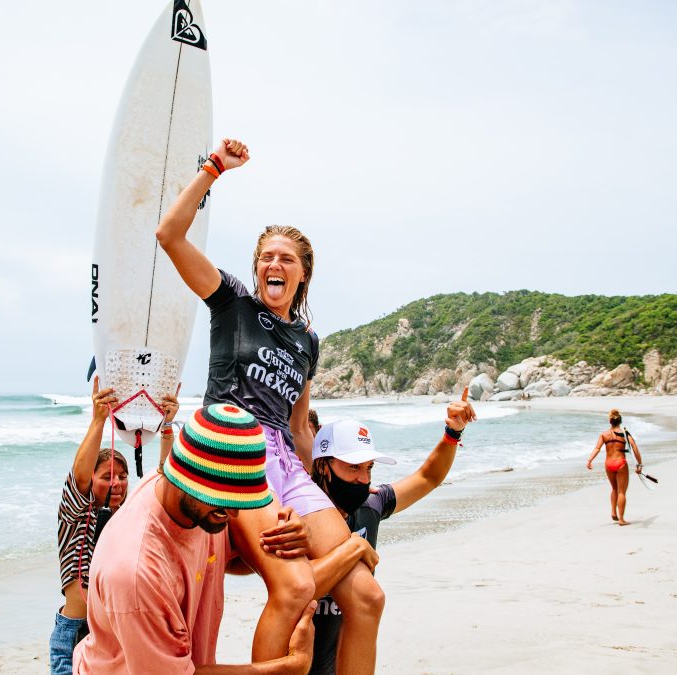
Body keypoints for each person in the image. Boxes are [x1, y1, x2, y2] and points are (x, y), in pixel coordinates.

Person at [157, 138, 385, 673]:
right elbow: (169, 235)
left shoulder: (308, 340)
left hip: (285, 465)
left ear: (303, 273)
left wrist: (310, 500)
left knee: (367, 597)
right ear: (256, 269)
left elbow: (300, 427)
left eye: (286, 258)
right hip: (234, 453)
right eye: (266, 258)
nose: (273, 264)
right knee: (293, 587)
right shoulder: (232, 303)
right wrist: (214, 168)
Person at [73, 403, 317, 674]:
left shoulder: (197, 506)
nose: (234, 512)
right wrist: (287, 667)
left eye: (241, 500)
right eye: (222, 501)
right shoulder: (135, 571)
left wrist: (287, 537)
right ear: (183, 480)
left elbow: (223, 560)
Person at [306, 390, 475, 675]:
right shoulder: (297, 516)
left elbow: (427, 477)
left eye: (369, 467)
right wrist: (353, 548)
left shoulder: (371, 505)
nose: (363, 478)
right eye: (353, 467)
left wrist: (452, 433)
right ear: (323, 465)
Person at [48, 377, 178, 675]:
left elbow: (166, 481)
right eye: (106, 476)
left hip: (119, 635)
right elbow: (79, 477)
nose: (116, 483)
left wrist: (167, 428)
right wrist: (98, 421)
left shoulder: (129, 519)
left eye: (121, 476)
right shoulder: (77, 514)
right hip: (76, 634)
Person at [587, 409, 643, 526]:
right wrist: (639, 464)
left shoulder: (604, 434)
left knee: (614, 489)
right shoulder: (624, 433)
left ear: (610, 422)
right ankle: (621, 519)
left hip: (608, 464)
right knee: (622, 492)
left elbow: (597, 448)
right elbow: (634, 447)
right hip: (620, 463)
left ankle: (613, 512)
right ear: (620, 421)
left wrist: (590, 460)